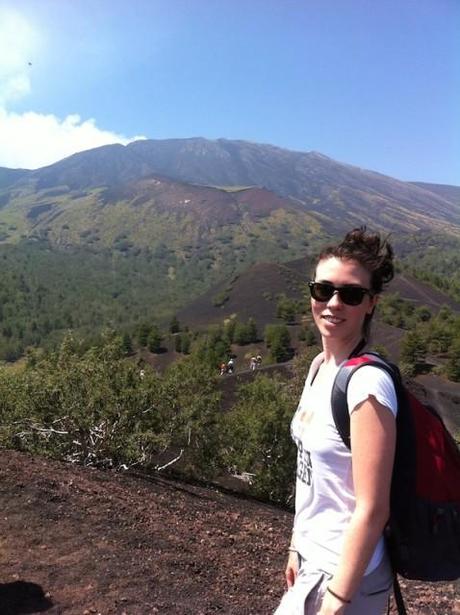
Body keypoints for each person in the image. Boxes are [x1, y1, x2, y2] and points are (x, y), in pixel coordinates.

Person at [275, 228, 396, 615]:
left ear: (371, 304)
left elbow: (374, 508)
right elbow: (307, 471)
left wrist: (339, 600)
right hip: (314, 558)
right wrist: (297, 543)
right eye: (323, 290)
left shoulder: (367, 385)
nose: (334, 303)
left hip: (346, 574)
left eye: (352, 294)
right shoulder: (318, 367)